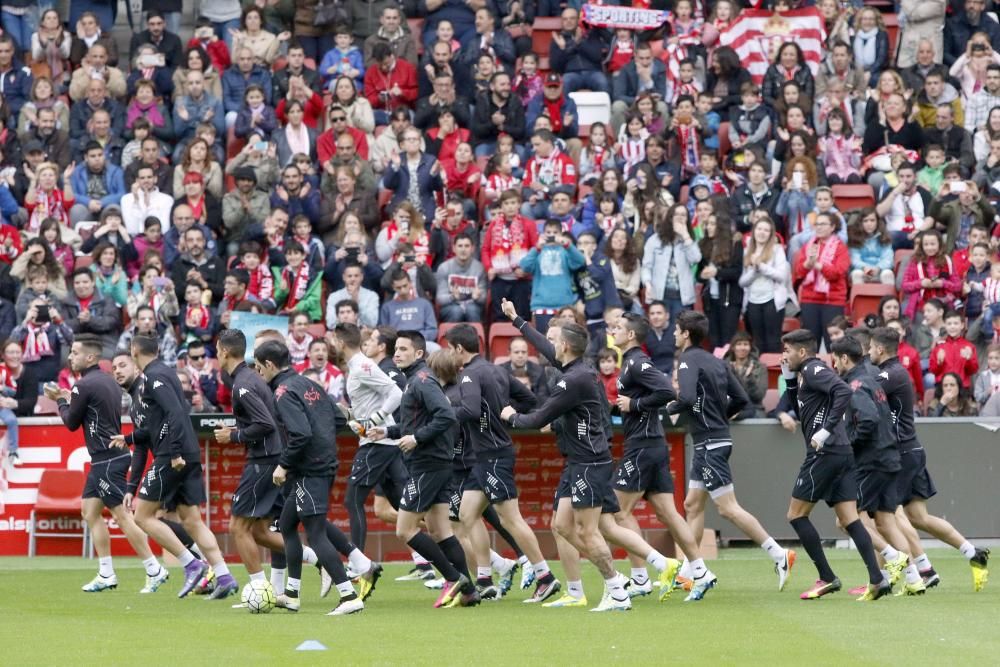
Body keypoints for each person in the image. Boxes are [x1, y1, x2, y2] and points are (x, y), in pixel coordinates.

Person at [500, 305, 631, 611]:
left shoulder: (572, 380)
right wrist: (517, 320)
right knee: (561, 525)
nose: (552, 344)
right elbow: (545, 347)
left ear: (567, 346)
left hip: (589, 462)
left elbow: (536, 420)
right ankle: (597, 585)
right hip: (578, 461)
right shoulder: (575, 369)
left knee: (588, 530)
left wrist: (511, 415)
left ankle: (617, 588)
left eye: (556, 340)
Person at [662, 311, 795, 590]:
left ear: (686, 334)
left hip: (709, 442)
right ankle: (690, 570)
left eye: (676, 330)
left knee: (728, 509)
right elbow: (741, 400)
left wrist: (667, 408)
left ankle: (779, 554)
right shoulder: (716, 361)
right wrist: (719, 417)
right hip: (711, 439)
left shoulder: (687, 360)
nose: (673, 334)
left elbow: (685, 397)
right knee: (693, 505)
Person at [444, 324, 566, 601]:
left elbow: (471, 409)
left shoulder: (469, 375)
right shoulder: (497, 370)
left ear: (459, 349)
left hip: (493, 456)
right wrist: (501, 415)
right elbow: (528, 399)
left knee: (511, 519)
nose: (450, 354)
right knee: (467, 514)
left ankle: (545, 576)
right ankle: (485, 577)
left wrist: (443, 413)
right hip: (487, 455)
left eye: (450, 349)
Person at [253, 340, 374, 615]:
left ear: (270, 365)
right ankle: (292, 594)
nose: (259, 374)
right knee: (286, 524)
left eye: (259, 369)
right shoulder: (310, 384)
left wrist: (283, 465)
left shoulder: (283, 392)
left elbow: (300, 434)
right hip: (322, 464)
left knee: (316, 533)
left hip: (308, 470)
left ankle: (348, 596)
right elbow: (338, 418)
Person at [112, 334, 234, 600]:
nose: (117, 371)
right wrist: (131, 440)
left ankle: (192, 565)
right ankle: (224, 576)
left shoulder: (154, 378)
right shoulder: (147, 390)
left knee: (142, 517)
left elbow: (177, 413)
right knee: (192, 520)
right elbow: (148, 435)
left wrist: (175, 452)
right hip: (183, 453)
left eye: (121, 365)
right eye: (114, 369)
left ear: (135, 353)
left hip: (172, 455)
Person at [869, 327, 990, 591]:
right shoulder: (894, 372)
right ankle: (972, 553)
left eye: (870, 347)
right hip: (911, 450)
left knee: (885, 516)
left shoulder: (889, 373)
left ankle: (893, 576)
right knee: (918, 516)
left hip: (899, 453)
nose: (867, 352)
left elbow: (860, 395)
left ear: (879, 349)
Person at [367, 331, 481, 608]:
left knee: (404, 530)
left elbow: (445, 414)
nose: (397, 353)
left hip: (427, 464)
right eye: (396, 349)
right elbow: (417, 421)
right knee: (440, 530)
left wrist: (417, 439)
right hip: (436, 464)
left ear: (419, 354)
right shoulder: (415, 381)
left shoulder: (421, 380)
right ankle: (468, 591)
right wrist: (388, 431)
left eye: (404, 349)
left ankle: (453, 578)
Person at [45, 335, 167, 593]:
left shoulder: (83, 385)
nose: (70, 357)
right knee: (89, 512)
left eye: (75, 353)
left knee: (122, 517)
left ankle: (154, 568)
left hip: (107, 460)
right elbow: (89, 411)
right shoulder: (107, 381)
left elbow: (71, 423)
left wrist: (59, 399)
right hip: (107, 457)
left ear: (90, 357)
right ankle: (106, 573)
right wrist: (69, 397)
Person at [778, 329, 891, 600]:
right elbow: (803, 408)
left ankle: (827, 577)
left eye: (788, 350)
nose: (784, 355)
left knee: (795, 515)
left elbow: (843, 390)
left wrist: (826, 429)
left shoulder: (815, 369)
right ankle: (877, 579)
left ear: (802, 352)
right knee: (850, 519)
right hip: (841, 451)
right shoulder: (807, 373)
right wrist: (790, 382)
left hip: (825, 452)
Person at [608, 313, 711, 599]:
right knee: (668, 513)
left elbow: (666, 391)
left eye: (618, 328)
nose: (613, 331)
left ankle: (642, 576)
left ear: (630, 336)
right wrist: (622, 406)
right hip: (652, 443)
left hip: (642, 445)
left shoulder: (637, 362)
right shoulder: (630, 362)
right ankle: (700, 571)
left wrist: (634, 403)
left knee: (617, 512)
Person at [210, 329, 297, 602]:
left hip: (264, 461)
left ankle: (260, 590)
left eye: (216, 349)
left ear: (225, 351)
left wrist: (233, 435)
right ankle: (319, 560)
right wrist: (237, 428)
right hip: (270, 458)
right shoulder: (249, 378)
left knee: (238, 527)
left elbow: (265, 424)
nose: (216, 354)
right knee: (259, 531)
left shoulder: (242, 384)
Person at [330, 322, 405, 552]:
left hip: (377, 443)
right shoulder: (357, 366)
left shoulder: (362, 365)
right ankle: (444, 553)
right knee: (406, 508)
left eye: (334, 340)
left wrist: (374, 420)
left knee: (352, 501)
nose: (332, 344)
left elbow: (396, 392)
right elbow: (370, 404)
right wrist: (353, 415)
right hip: (381, 442)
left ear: (341, 343)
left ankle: (359, 563)